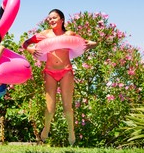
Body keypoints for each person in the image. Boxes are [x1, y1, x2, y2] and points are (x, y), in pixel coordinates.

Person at [22, 9, 97, 145]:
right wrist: (30, 49)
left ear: (61, 19)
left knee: (67, 105)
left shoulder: (69, 34)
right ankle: (46, 128)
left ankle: (71, 132)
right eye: (49, 18)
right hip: (50, 71)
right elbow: (25, 43)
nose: (51, 20)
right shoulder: (44, 35)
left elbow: (88, 42)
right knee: (50, 107)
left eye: (54, 18)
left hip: (65, 71)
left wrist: (91, 44)